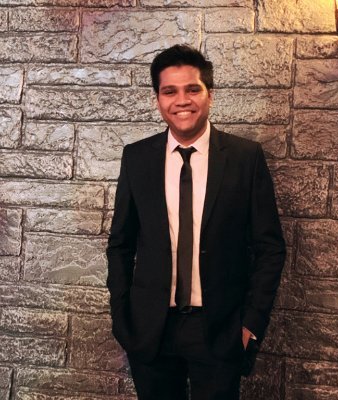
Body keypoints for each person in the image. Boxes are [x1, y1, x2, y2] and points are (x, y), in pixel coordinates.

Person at [106, 44, 286, 400]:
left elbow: (270, 248)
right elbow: (120, 244)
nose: (181, 101)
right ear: (158, 99)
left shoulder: (244, 158)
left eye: (192, 89)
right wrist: (123, 318)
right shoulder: (137, 158)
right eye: (169, 91)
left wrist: (250, 324)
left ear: (210, 94)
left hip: (220, 330)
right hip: (151, 330)